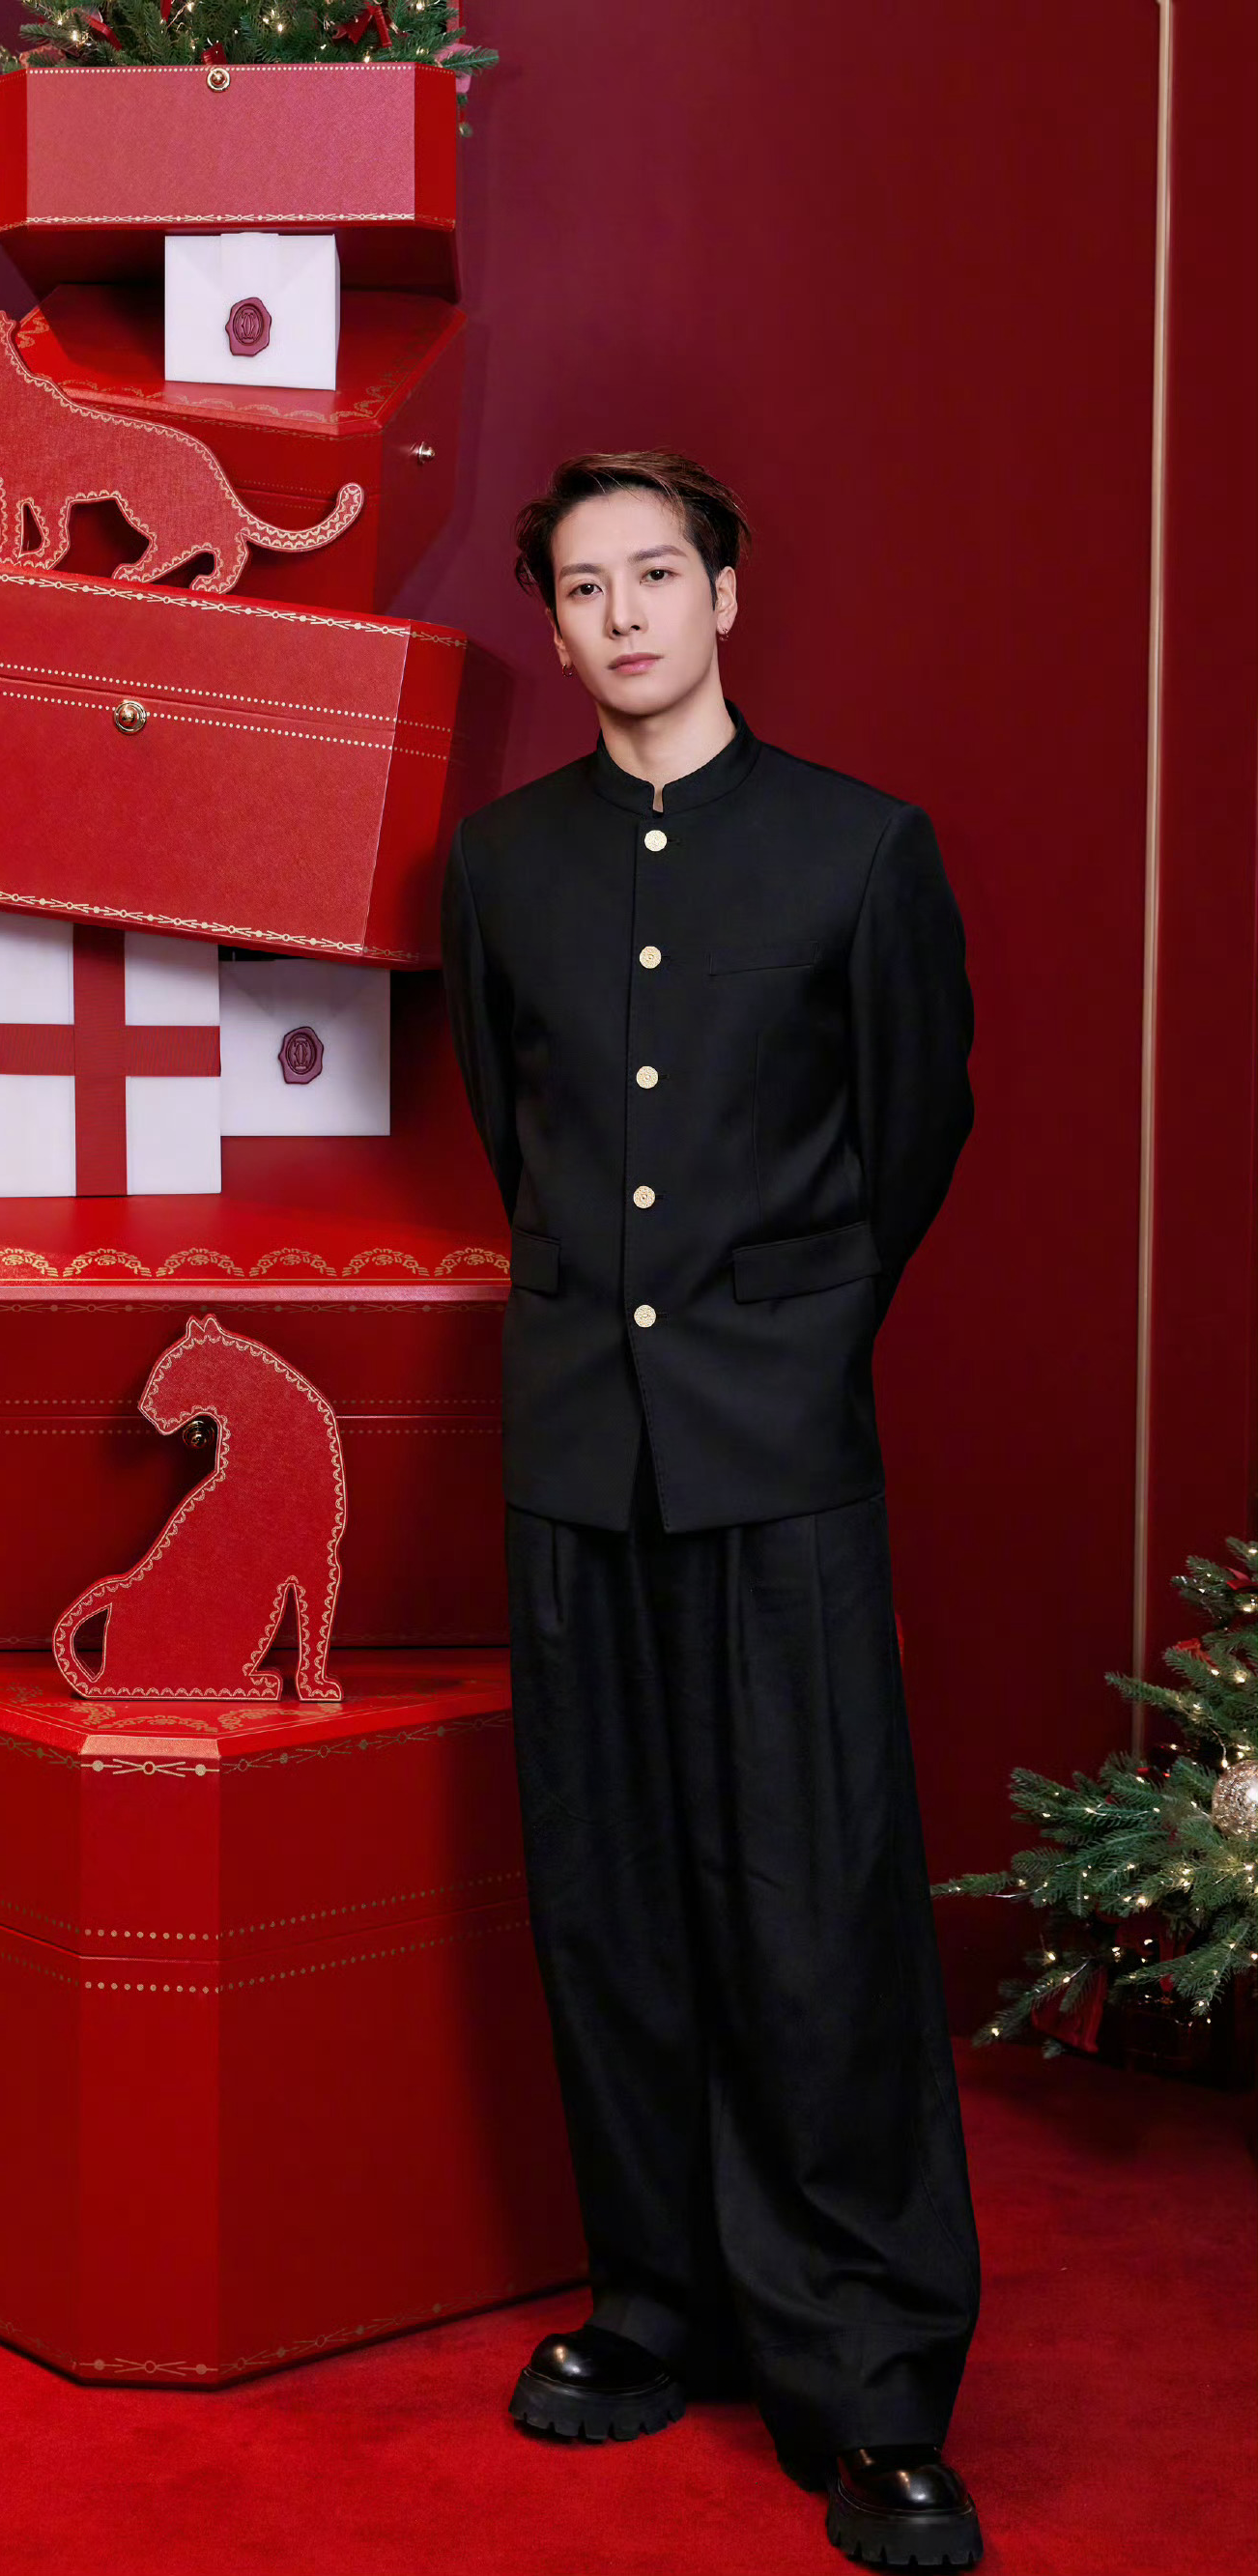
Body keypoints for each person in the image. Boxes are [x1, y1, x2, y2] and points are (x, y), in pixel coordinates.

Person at [440, 452, 984, 2570]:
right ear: (555, 626)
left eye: (656, 574)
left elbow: (911, 1131)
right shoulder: (502, 868)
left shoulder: (861, 850)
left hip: (777, 1449)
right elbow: (517, 1136)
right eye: (584, 588)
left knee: (813, 1904)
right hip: (578, 1444)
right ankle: (657, 2299)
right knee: (611, 1894)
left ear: (724, 596)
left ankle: (872, 2375)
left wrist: (780, 1329)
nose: (625, 616)